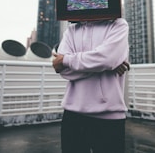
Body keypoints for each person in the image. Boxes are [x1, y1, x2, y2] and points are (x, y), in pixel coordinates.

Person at [52, 18, 129, 153]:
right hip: (72, 115)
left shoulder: (118, 24)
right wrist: (105, 65)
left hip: (109, 115)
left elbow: (107, 59)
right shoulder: (71, 30)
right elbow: (64, 71)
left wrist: (66, 60)